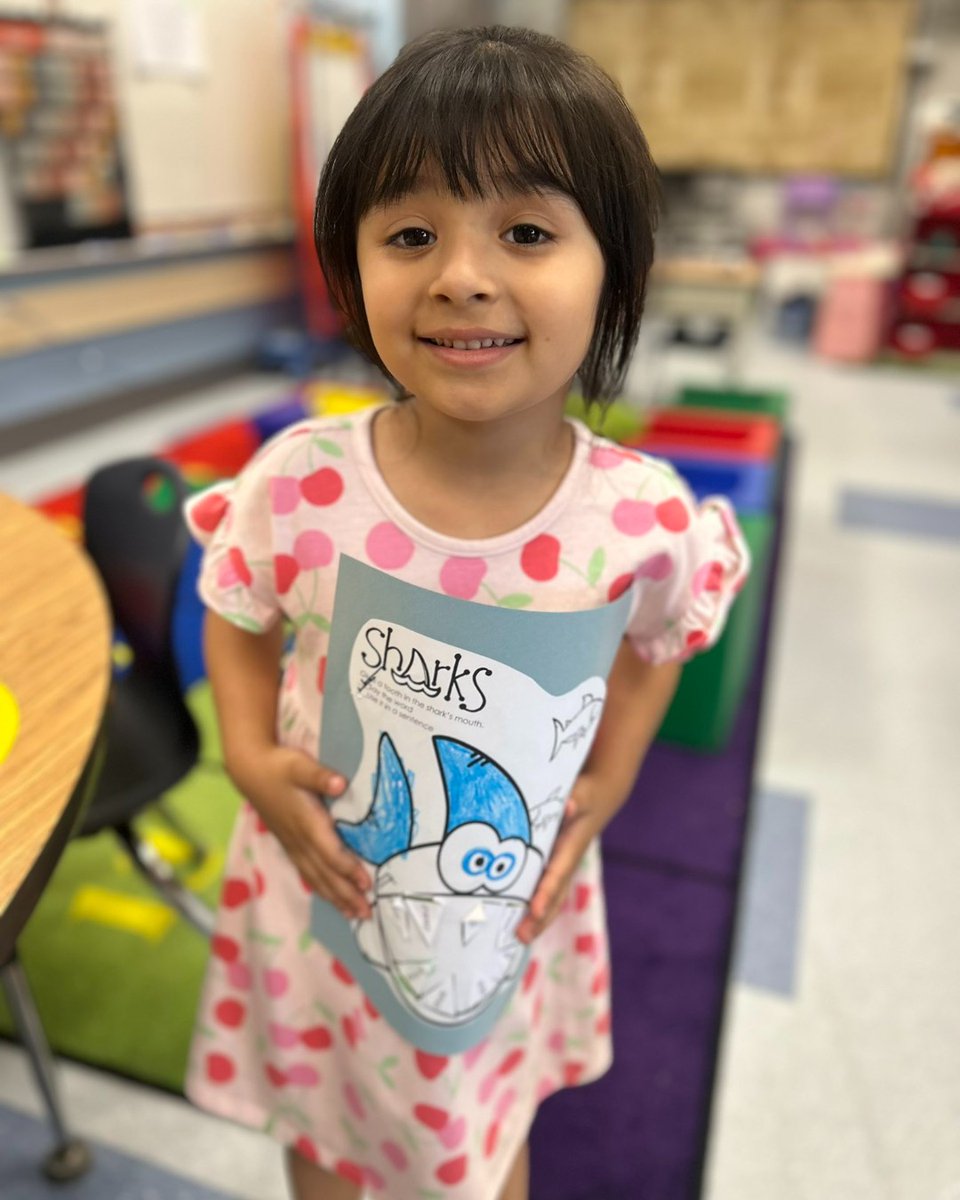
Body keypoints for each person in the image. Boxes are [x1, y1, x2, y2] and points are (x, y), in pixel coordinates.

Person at [183, 24, 750, 1200]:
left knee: (484, 1128)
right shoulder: (301, 482)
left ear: (616, 269)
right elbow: (237, 606)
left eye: (529, 233)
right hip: (320, 890)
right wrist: (244, 748)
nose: (460, 275)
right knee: (325, 1130)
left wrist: (617, 773)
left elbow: (667, 633)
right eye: (409, 234)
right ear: (353, 263)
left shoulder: (638, 514)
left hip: (505, 903)